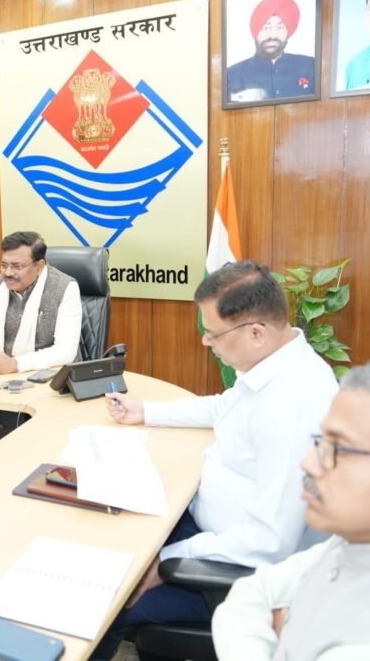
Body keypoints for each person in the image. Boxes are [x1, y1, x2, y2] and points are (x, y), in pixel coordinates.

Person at [91, 260, 339, 659]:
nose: (207, 343)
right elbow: (226, 406)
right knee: (109, 539)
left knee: (107, 600)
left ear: (256, 333)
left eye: (213, 334)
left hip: (238, 574)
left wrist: (166, 561)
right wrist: (147, 411)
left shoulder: (294, 407)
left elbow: (268, 543)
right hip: (211, 534)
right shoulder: (277, 363)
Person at [213, 362, 370, 660]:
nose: (308, 463)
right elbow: (252, 592)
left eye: (340, 449)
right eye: (321, 442)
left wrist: (283, 633)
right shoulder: (365, 536)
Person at [0, 231, 80, 375]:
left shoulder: (65, 287)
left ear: (39, 266)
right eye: (4, 265)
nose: (8, 273)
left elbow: (66, 350)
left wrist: (15, 364)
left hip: (48, 375)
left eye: (17, 266)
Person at [226, 0, 316, 103]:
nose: (273, 35)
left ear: (288, 31)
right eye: (266, 27)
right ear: (255, 31)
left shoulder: (310, 66)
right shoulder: (233, 75)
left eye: (280, 27)